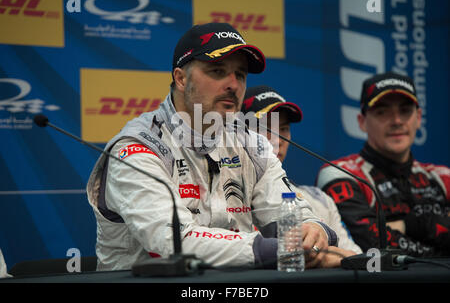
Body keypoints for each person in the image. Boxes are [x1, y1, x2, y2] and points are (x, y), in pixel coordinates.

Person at [86, 22, 337, 271]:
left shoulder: (251, 144)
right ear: (181, 78)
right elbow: (175, 242)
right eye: (217, 71)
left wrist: (313, 230)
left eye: (240, 74)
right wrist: (283, 249)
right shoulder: (136, 148)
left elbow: (291, 216)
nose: (234, 84)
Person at [316, 72, 450, 257]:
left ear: (418, 118)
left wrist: (400, 227)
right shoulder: (340, 173)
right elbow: (371, 244)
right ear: (362, 122)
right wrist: (420, 226)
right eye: (382, 112)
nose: (396, 121)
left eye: (405, 111)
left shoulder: (443, 177)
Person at [241, 85, 362, 268]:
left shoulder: (319, 199)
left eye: (283, 129)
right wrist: (327, 257)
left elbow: (357, 258)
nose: (278, 140)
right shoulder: (229, 199)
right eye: (265, 128)